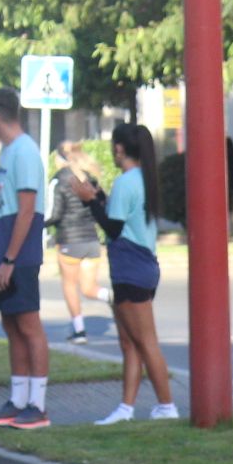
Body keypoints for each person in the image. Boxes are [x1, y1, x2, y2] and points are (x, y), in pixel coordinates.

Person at [68, 124, 177, 424]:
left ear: (119, 149)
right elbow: (119, 217)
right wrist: (97, 197)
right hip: (137, 265)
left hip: (131, 266)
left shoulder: (127, 182)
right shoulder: (140, 179)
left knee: (145, 341)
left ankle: (167, 405)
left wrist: (90, 201)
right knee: (129, 342)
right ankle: (125, 408)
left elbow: (113, 227)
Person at [0, 88, 51, 430]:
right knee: (11, 323)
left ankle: (37, 403)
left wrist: (10, 258)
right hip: (1, 246)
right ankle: (17, 399)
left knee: (28, 324)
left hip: (18, 253)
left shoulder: (24, 152)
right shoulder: (6, 153)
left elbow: (26, 210)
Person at [45, 142, 105, 345]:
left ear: (60, 159)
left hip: (69, 240)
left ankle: (79, 331)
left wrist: (38, 224)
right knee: (89, 288)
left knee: (70, 285)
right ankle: (112, 297)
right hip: (91, 240)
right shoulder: (89, 178)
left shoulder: (58, 180)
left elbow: (52, 213)